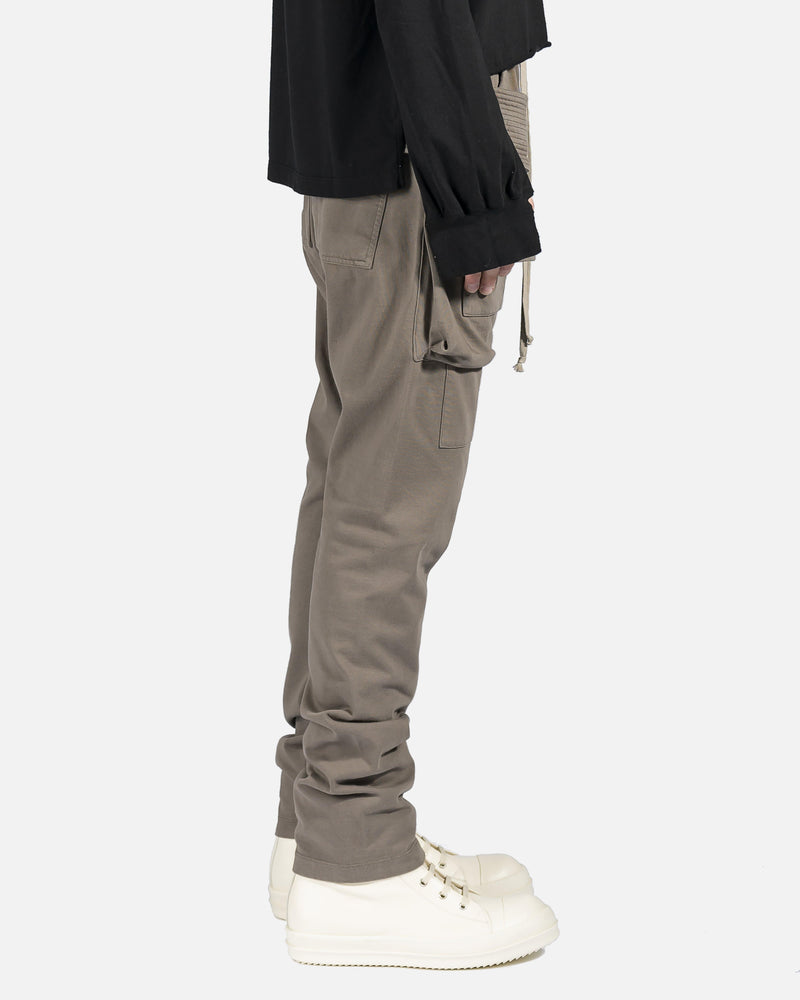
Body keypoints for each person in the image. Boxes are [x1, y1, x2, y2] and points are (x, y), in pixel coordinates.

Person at [266, 0, 557, 969]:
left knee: (350, 480)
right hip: (417, 143)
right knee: (387, 505)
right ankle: (355, 850)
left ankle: (318, 824)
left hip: (369, 134)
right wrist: (475, 188)